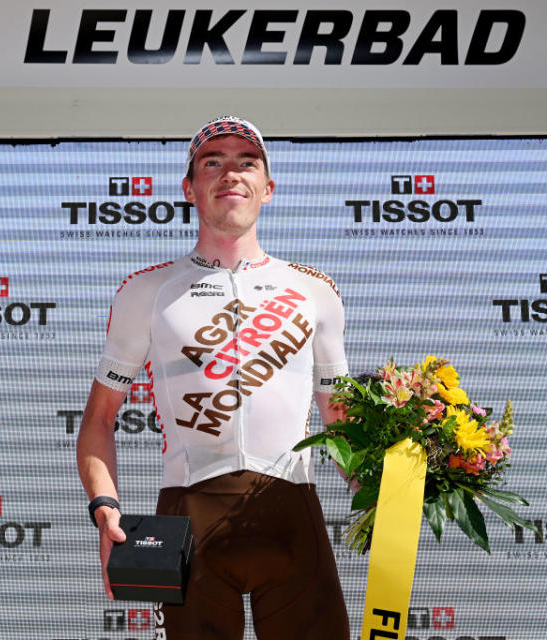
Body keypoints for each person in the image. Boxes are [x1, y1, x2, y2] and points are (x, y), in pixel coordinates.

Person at [76, 116, 351, 639]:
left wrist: (384, 497)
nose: (231, 173)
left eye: (247, 162)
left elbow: (338, 418)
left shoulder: (315, 292)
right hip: (189, 517)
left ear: (267, 188)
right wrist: (105, 508)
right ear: (189, 188)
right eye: (212, 162)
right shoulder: (146, 292)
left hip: (292, 515)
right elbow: (99, 419)